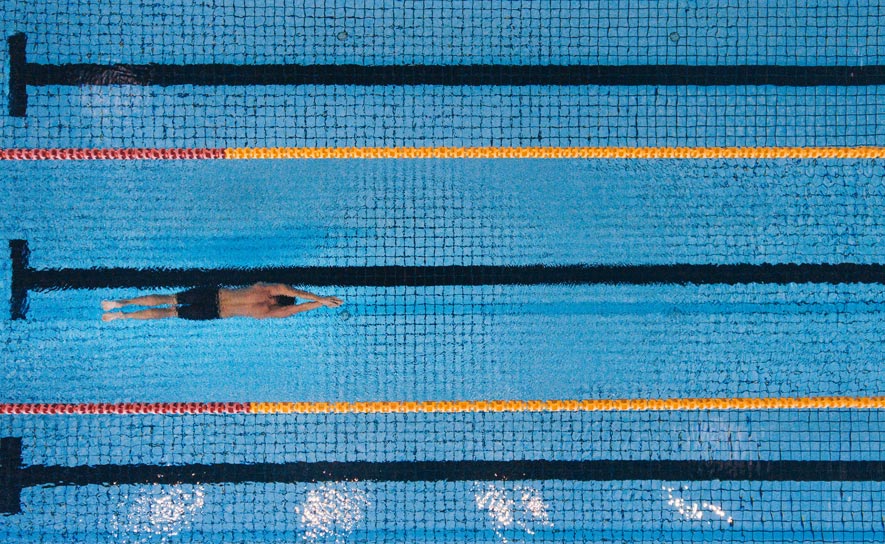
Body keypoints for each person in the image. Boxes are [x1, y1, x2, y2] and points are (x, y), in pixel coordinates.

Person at [101, 282, 343, 322]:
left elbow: (293, 290)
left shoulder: (263, 289)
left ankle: (120, 303)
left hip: (213, 294)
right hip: (215, 312)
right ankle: (123, 316)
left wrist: (321, 297)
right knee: (170, 313)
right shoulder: (269, 312)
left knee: (169, 298)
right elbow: (298, 308)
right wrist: (322, 303)